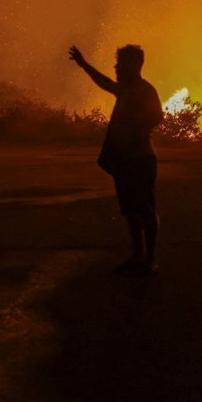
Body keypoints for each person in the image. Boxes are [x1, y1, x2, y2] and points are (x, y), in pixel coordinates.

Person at [69, 44, 164, 274]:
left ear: (133, 65)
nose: (116, 67)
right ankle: (138, 256)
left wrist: (138, 128)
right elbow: (104, 82)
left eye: (120, 64)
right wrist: (84, 65)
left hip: (140, 159)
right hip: (125, 159)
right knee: (131, 209)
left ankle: (149, 259)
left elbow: (157, 116)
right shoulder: (126, 89)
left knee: (145, 209)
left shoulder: (143, 90)